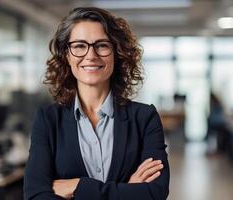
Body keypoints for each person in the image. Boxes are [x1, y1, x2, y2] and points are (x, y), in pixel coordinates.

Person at [24, 7, 169, 200]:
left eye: (101, 45)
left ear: (116, 53)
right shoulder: (48, 120)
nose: (91, 55)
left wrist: (78, 186)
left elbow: (154, 193)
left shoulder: (144, 118)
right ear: (67, 55)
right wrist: (126, 190)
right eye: (79, 46)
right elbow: (35, 196)